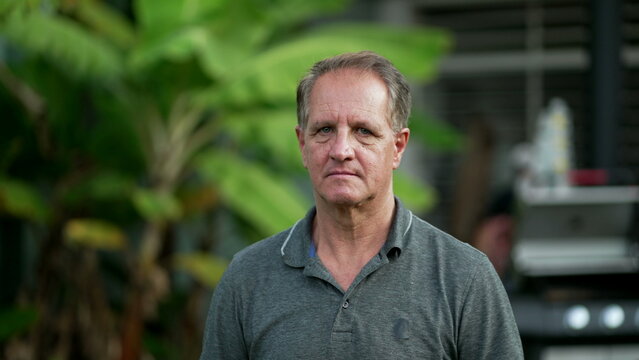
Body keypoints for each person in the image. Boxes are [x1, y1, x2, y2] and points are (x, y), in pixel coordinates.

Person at [200, 51, 523, 359]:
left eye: (363, 131)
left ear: (397, 147)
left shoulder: (464, 276)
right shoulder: (248, 277)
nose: (341, 149)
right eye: (324, 130)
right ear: (302, 144)